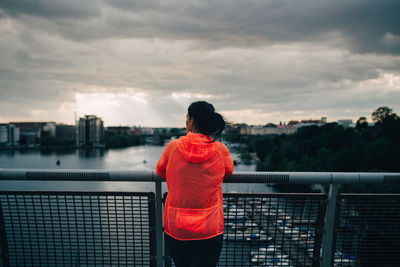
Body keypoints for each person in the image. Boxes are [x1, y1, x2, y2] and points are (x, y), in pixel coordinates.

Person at [156, 101, 234, 267]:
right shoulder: (220, 150)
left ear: (191, 120)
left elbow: (160, 171)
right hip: (209, 228)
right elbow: (228, 171)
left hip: (177, 227)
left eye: (187, 116)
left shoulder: (173, 147)